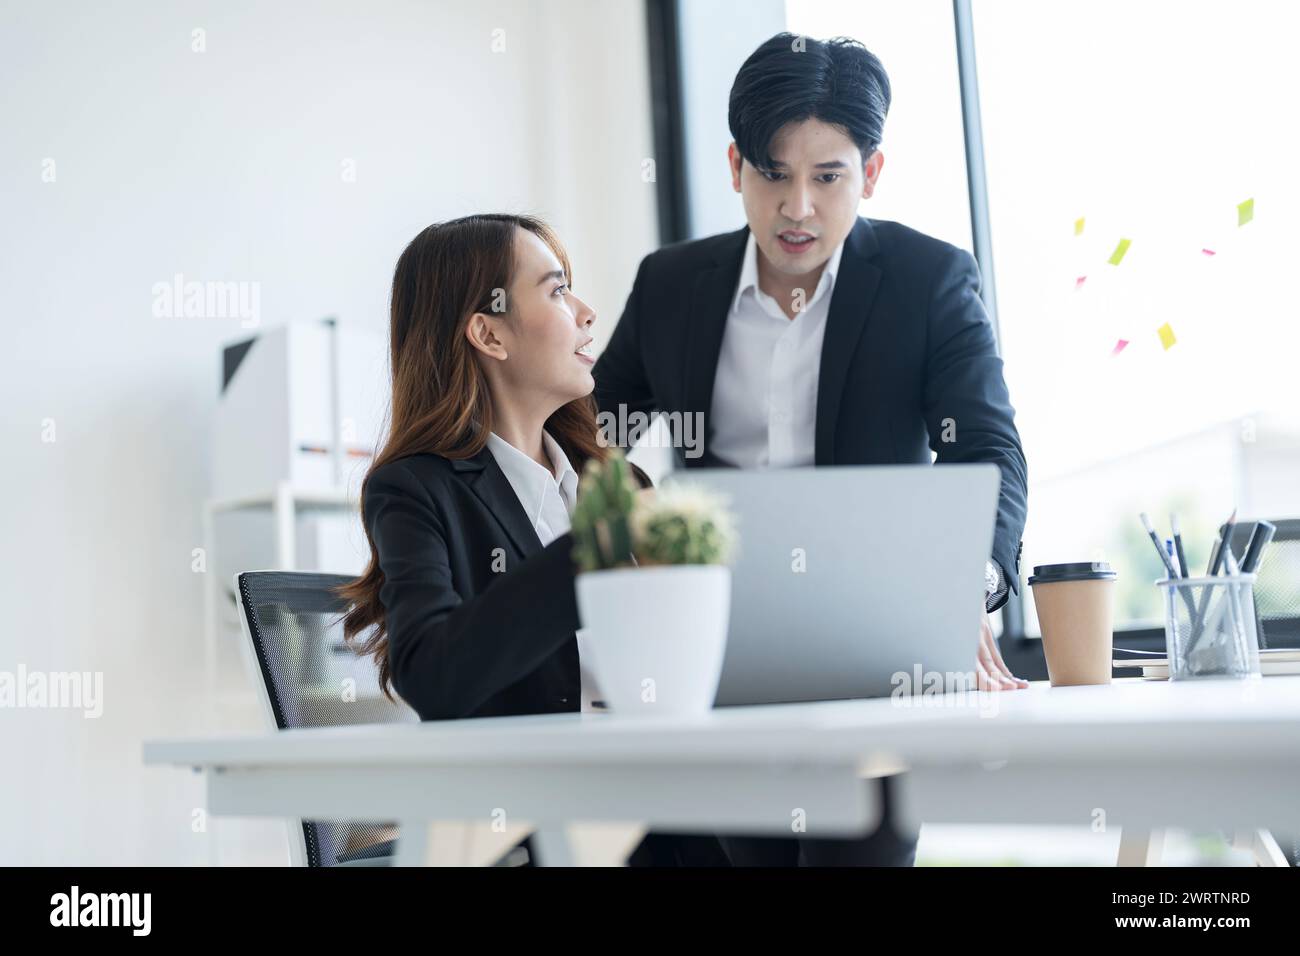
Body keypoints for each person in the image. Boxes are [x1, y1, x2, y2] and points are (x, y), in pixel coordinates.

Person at [592, 33, 1030, 866]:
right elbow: (594, 427)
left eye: (827, 177)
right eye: (772, 174)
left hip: (878, 650)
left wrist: (963, 582)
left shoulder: (927, 280)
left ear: (869, 174)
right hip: (723, 652)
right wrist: (631, 505)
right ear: (734, 168)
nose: (797, 207)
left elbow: (987, 446)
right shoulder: (671, 286)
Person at [338, 213, 729, 867]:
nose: (586, 312)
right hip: (531, 835)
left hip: (661, 808)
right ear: (488, 332)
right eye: (555, 291)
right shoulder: (415, 490)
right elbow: (433, 675)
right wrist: (589, 552)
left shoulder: (618, 480)